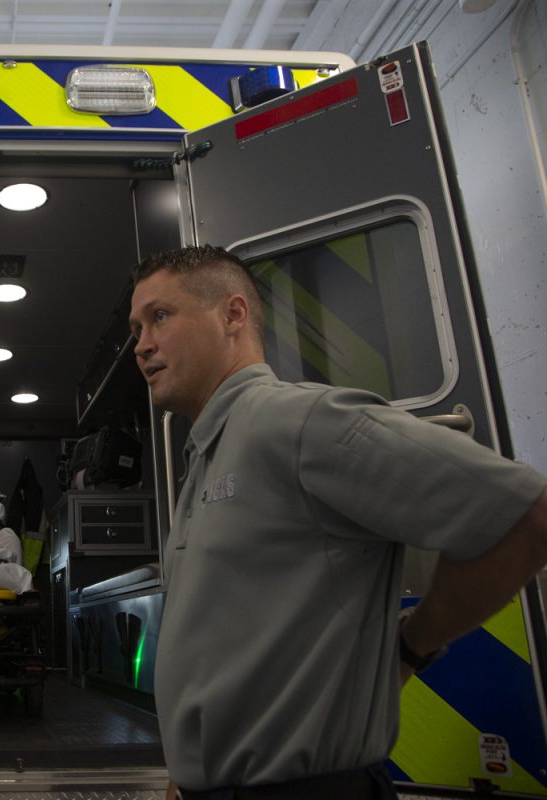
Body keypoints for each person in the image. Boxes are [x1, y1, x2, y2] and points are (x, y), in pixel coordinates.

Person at [127, 244, 547, 799]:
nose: (143, 345)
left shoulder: (297, 422)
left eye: (160, 316)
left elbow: (525, 516)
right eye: (136, 329)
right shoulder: (207, 454)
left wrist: (411, 647)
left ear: (233, 315)